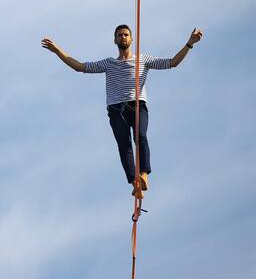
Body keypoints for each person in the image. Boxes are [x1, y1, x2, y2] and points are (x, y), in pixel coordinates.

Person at [41, 25, 204, 198]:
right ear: (115, 40)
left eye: (126, 35)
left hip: (137, 105)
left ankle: (144, 175)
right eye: (119, 35)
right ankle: (135, 183)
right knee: (124, 145)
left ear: (131, 39)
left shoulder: (143, 59)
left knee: (140, 137)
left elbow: (172, 62)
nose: (123, 37)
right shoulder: (109, 63)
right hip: (116, 108)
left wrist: (189, 43)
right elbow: (80, 67)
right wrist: (57, 50)